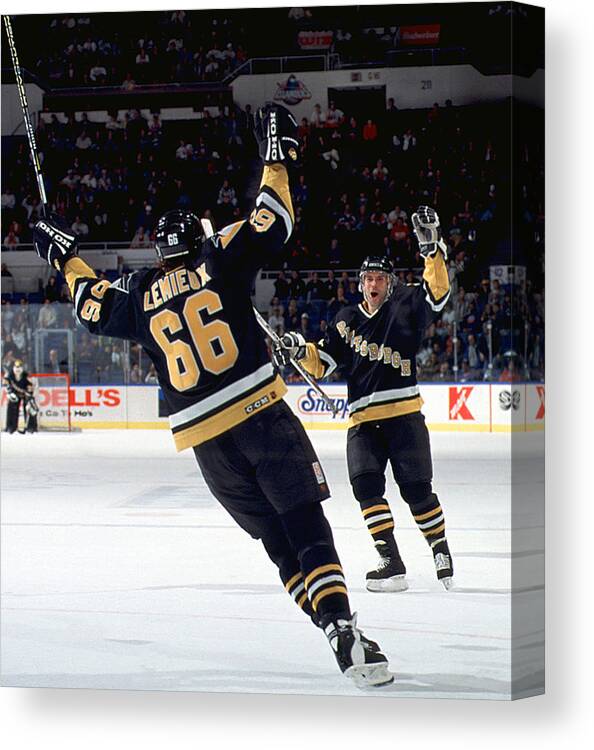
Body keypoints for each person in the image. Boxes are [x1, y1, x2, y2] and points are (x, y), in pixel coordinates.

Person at [33, 104, 392, 688]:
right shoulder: (217, 254)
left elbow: (90, 303)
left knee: (279, 545)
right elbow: (273, 219)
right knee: (304, 526)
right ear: (196, 237)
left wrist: (62, 253)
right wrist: (276, 156)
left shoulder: (141, 293)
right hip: (261, 420)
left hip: (209, 450)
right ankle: (343, 628)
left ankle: (333, 629)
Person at [274, 206, 454, 592]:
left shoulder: (406, 306)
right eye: (368, 278)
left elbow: (437, 293)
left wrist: (431, 248)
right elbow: (321, 362)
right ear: (361, 283)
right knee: (365, 487)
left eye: (380, 278)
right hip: (362, 423)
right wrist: (296, 348)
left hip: (404, 418)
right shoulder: (343, 320)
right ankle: (390, 558)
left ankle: (439, 547)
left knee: (417, 491)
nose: (374, 284)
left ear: (389, 283)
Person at [3, 359, 38, 434]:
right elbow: (5, 384)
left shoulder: (27, 376)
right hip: (14, 394)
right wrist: (9, 393)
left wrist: (30, 398)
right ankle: (11, 426)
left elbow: (30, 388)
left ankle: (31, 427)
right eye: (16, 368)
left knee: (30, 407)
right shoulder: (9, 375)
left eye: (19, 368)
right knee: (12, 405)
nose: (17, 370)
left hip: (25, 394)